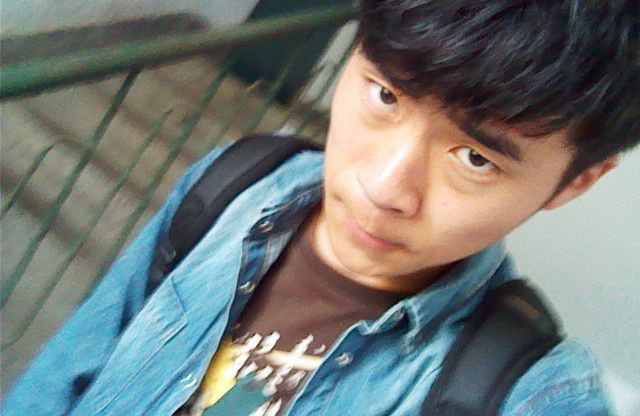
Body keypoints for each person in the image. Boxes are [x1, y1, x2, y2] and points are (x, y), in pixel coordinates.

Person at [4, 1, 639, 415]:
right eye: (384, 96)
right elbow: (66, 374)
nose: (383, 188)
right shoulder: (237, 186)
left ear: (574, 183)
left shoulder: (530, 396)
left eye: (475, 158)